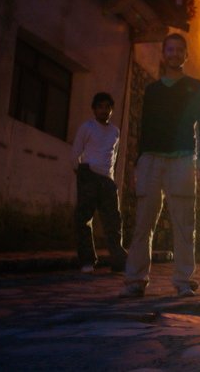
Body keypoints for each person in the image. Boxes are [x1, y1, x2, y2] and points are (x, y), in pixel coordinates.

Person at [120, 33, 200, 298]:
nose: (174, 54)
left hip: (183, 159)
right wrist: (138, 163)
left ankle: (183, 280)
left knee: (184, 224)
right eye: (169, 49)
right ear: (164, 53)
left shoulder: (196, 87)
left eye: (179, 50)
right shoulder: (152, 90)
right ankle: (135, 280)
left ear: (186, 55)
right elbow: (144, 128)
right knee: (142, 223)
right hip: (151, 159)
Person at [71, 92, 128, 274]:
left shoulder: (115, 132)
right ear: (94, 109)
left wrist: (111, 178)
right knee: (84, 219)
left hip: (107, 180)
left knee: (113, 221)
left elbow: (114, 156)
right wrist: (80, 173)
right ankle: (87, 261)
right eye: (100, 107)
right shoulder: (86, 127)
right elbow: (75, 152)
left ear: (111, 110)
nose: (104, 110)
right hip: (88, 174)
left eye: (108, 107)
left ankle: (118, 261)